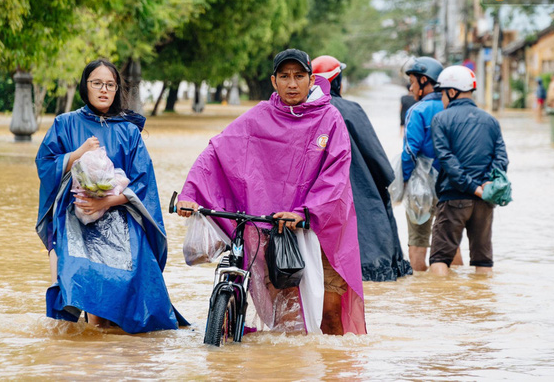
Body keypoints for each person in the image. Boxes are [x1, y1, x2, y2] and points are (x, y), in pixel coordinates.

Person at [176, 49, 366, 336]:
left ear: (311, 79)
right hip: (273, 230)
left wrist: (304, 212)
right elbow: (216, 151)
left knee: (328, 315)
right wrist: (190, 194)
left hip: (320, 229)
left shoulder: (330, 119)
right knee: (286, 316)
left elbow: (335, 178)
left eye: (299, 76)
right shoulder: (257, 117)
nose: (292, 84)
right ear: (273, 81)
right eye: (285, 77)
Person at [35, 59, 188, 333]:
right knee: (93, 306)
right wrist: (77, 154)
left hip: (122, 219)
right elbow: (45, 165)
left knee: (118, 315)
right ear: (86, 86)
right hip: (77, 218)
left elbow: (143, 183)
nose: (103, 90)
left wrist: (105, 201)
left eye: (110, 85)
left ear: (117, 89)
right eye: (97, 84)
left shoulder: (129, 131)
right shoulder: (64, 124)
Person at [312, 55, 412, 282]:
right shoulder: (350, 109)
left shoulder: (302, 112)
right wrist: (385, 181)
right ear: (337, 82)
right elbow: (375, 157)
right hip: (360, 193)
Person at [429, 65, 509, 276]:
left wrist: (473, 187)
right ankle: (482, 305)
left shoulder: (441, 119)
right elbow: (501, 158)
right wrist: (486, 186)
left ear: (452, 92)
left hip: (454, 198)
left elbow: (447, 160)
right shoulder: (491, 120)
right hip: (485, 201)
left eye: (442, 93)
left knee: (439, 260)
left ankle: (441, 307)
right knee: (483, 262)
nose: (442, 99)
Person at [402, 56, 462, 271]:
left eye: (413, 81)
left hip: (422, 187)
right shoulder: (454, 110)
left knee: (418, 243)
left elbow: (410, 150)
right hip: (452, 186)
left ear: (425, 81)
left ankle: (421, 296)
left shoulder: (417, 111)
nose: (410, 87)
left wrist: (405, 181)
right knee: (451, 244)